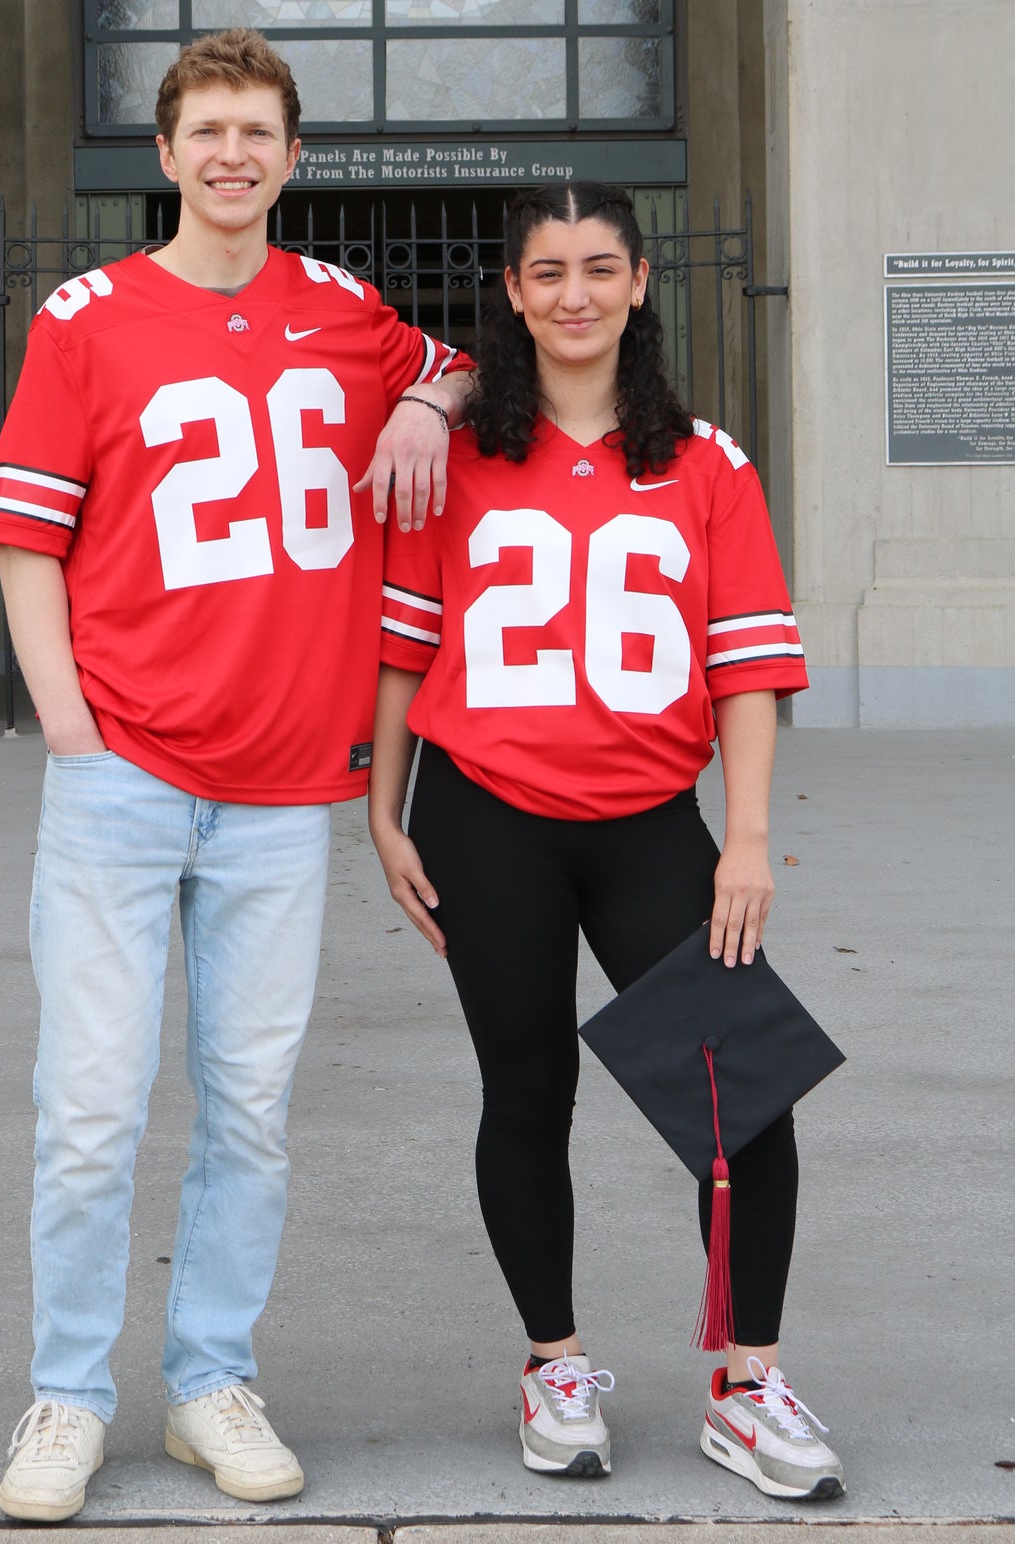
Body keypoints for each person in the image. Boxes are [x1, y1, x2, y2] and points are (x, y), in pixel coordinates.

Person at [0, 29, 472, 1520]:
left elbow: (463, 362)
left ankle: (207, 1382)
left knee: (248, 1104)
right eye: (208, 131)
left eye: (259, 132)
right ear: (165, 150)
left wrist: (420, 404)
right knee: (90, 1106)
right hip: (121, 769)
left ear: (293, 155)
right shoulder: (87, 316)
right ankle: (66, 1397)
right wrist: (68, 725)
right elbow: (23, 536)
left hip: (276, 793)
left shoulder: (346, 312)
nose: (233, 155)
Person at [367, 183, 843, 1501]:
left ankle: (745, 1383)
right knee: (525, 1096)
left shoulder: (702, 460)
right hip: (483, 816)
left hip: (648, 823)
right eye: (544, 271)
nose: (571, 292)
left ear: (638, 282)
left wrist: (744, 840)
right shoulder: (458, 458)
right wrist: (380, 811)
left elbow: (744, 668)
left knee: (740, 1100)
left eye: (596, 267)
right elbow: (405, 645)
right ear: (511, 295)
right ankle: (553, 1365)